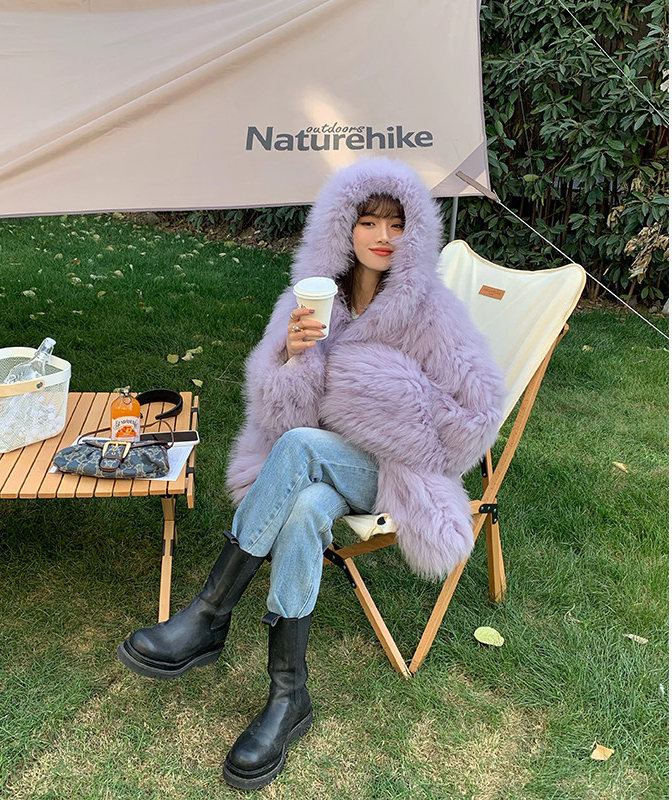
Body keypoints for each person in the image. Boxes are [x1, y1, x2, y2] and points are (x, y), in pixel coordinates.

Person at [117, 157, 505, 790]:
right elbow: (275, 416)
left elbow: (478, 419)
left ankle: (211, 613)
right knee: (300, 506)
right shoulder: (308, 299)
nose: (383, 235)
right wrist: (295, 361)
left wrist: (376, 391)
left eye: (397, 224)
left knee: (300, 448)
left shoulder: (432, 311)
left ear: (415, 232)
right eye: (368, 221)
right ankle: (288, 695)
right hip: (314, 468)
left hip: (393, 472)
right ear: (341, 227)